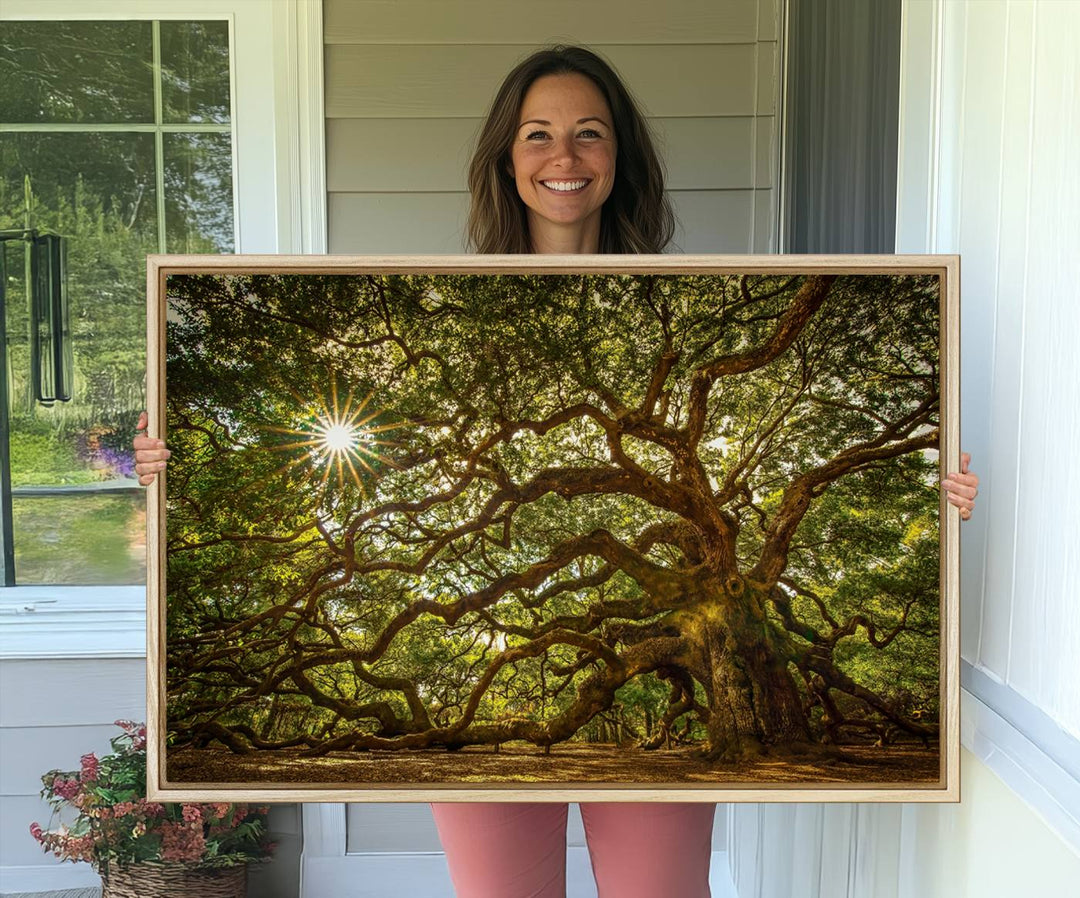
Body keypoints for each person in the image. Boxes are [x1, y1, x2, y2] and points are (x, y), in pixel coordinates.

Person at [134, 45, 980, 898]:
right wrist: (171, 469)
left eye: (589, 134)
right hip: (498, 678)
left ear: (620, 159)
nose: (564, 157)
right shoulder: (448, 312)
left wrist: (933, 491)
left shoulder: (694, 308)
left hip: (649, 648)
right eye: (538, 135)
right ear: (508, 158)